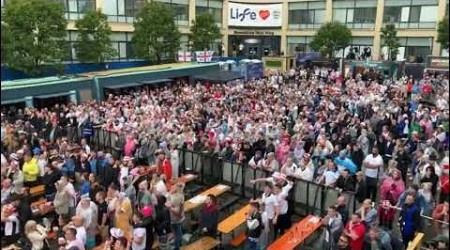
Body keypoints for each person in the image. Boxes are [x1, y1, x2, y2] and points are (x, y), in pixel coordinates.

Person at [167, 182, 185, 250]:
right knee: (178, 233)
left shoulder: (175, 197)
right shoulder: (179, 195)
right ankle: (177, 245)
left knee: (177, 232)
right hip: (177, 218)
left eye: (173, 187)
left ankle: (177, 246)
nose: (171, 188)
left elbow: (176, 211)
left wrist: (169, 207)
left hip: (174, 218)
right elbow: (182, 184)